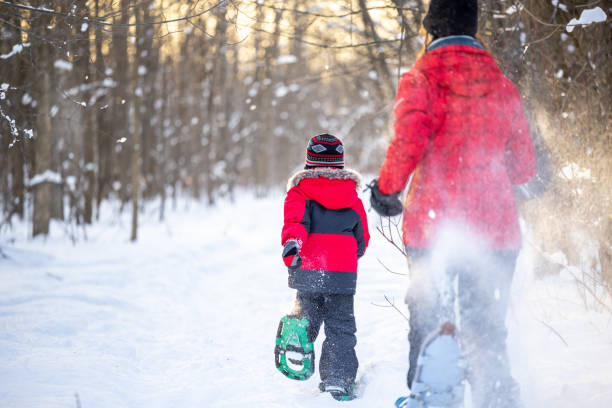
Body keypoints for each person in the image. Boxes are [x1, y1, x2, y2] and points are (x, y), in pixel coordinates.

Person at [368, 1, 536, 407]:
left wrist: (387, 190)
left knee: (429, 322)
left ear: (432, 29)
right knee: (486, 329)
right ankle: (495, 398)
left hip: (434, 226)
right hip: (496, 231)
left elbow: (409, 140)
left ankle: (433, 396)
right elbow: (524, 167)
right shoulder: (502, 82)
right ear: (473, 29)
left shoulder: (422, 76)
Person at [281, 133, 370, 400]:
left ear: (310, 162)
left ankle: (299, 336)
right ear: (340, 164)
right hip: (342, 275)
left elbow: (295, 223)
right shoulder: (351, 197)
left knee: (307, 310)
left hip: (309, 269)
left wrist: (293, 246)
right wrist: (350, 254)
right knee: (340, 328)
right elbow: (362, 237)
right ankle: (338, 379)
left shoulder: (299, 192)